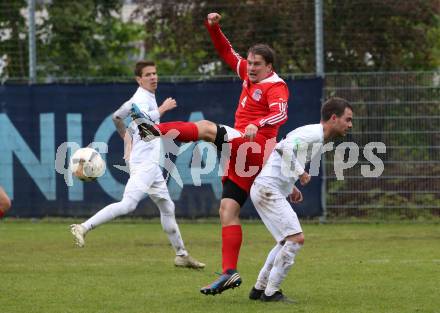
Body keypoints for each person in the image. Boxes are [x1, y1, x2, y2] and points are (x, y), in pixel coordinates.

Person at [131, 12, 293, 294]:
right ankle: (230, 272)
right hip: (243, 156)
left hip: (254, 147)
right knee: (227, 210)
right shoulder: (247, 73)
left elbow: (281, 113)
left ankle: (153, 129)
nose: (251, 68)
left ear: (270, 66)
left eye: (257, 64)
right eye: (250, 62)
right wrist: (213, 27)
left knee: (206, 128)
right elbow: (225, 51)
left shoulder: (276, 86)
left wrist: (259, 123)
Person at [70, 61, 205, 269]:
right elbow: (143, 120)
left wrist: (126, 137)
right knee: (129, 204)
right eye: (148, 75)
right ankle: (83, 227)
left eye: (155, 73)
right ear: (138, 79)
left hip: (149, 163)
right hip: (145, 164)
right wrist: (163, 109)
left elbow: (117, 116)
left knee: (167, 206)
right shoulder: (142, 98)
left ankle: (181, 255)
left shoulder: (139, 97)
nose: (154, 77)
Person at [248, 97, 353, 302]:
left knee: (285, 240)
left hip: (268, 188)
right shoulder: (314, 133)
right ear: (334, 118)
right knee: (296, 239)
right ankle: (272, 292)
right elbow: (283, 148)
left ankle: (259, 288)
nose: (350, 125)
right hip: (267, 189)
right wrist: (301, 173)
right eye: (347, 119)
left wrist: (291, 186)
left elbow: (282, 153)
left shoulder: (317, 136)